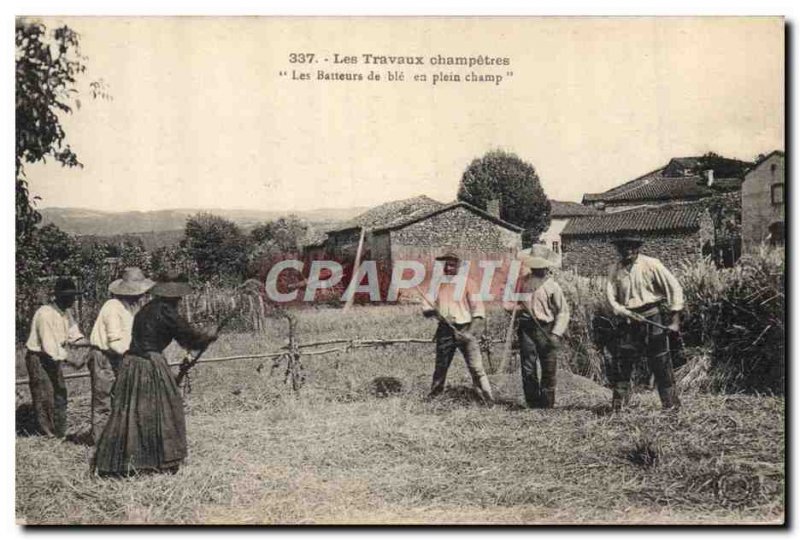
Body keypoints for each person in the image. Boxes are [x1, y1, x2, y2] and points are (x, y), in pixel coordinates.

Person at [93, 273, 218, 476]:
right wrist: (207, 338)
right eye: (179, 297)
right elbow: (188, 337)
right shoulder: (166, 312)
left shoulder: (147, 309)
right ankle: (158, 459)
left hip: (131, 364)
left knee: (133, 411)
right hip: (149, 363)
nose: (179, 300)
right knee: (167, 407)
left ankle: (130, 460)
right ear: (174, 296)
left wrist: (201, 338)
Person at [605, 236, 684, 411]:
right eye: (623, 248)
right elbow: (610, 299)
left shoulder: (651, 264)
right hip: (627, 320)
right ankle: (618, 408)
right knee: (623, 363)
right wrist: (626, 313)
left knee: (661, 361)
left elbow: (674, 288)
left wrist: (675, 320)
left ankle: (671, 406)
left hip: (652, 317)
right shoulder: (615, 270)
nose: (628, 251)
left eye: (632, 247)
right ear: (619, 250)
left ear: (637, 248)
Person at [87, 267, 155, 444]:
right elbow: (115, 342)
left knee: (120, 397)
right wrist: (136, 353)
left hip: (120, 356)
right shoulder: (112, 307)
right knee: (103, 399)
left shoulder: (131, 308)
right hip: (104, 357)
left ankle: (117, 438)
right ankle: (100, 442)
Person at [423, 252, 494, 403]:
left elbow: (478, 311)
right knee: (441, 366)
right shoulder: (436, 284)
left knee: (476, 368)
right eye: (446, 265)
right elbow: (426, 308)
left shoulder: (469, 283)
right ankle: (434, 398)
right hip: (445, 330)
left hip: (466, 329)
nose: (448, 268)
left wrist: (470, 333)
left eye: (452, 265)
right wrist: (437, 313)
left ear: (458, 266)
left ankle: (488, 398)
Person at [24, 278, 90, 437]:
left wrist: (93, 343)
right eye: (70, 296)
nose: (73, 300)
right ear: (59, 297)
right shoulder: (45, 314)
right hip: (39, 357)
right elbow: (50, 347)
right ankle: (48, 435)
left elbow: (75, 336)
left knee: (60, 393)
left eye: (74, 296)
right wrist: (72, 361)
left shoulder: (66, 313)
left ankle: (60, 432)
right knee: (45, 396)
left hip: (54, 356)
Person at [503, 254, 570, 409]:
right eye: (535, 267)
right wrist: (517, 309)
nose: (538, 269)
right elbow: (507, 303)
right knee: (528, 367)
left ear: (546, 267)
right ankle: (532, 403)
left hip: (546, 327)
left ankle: (546, 404)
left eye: (541, 267)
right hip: (526, 328)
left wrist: (556, 333)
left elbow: (563, 312)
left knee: (548, 365)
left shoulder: (552, 286)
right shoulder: (521, 283)